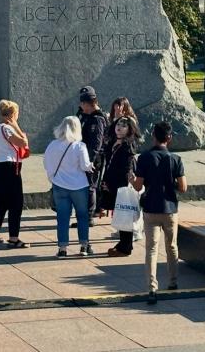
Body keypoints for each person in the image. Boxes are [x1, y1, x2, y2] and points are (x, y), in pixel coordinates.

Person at [130, 121, 187, 305]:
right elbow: (183, 187)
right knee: (171, 246)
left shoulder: (144, 158)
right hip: (170, 209)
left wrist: (132, 180)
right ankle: (173, 281)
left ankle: (152, 287)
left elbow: (138, 185)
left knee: (151, 249)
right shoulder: (176, 159)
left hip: (151, 209)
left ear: (153, 136)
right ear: (169, 138)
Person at [44, 116, 94, 257]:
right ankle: (84, 246)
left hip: (59, 186)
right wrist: (91, 166)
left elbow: (46, 164)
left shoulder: (52, 145)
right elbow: (85, 166)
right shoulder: (79, 146)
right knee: (82, 216)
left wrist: (53, 179)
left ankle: (62, 248)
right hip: (79, 186)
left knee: (63, 217)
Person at [0, 100, 30, 248]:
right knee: (16, 203)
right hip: (10, 168)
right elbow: (23, 142)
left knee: (3, 202)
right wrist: (16, 126)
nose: (18, 117)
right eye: (17, 114)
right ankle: (14, 237)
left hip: (1, 167)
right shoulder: (7, 129)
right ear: (12, 115)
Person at [101, 116, 139, 257]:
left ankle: (125, 246)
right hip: (111, 181)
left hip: (121, 184)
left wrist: (118, 183)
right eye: (118, 124)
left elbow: (127, 167)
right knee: (120, 214)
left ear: (129, 129)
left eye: (123, 126)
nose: (119, 127)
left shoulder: (128, 145)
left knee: (125, 214)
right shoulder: (113, 142)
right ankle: (124, 243)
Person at [77, 86, 108, 224]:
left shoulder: (97, 119)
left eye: (82, 103)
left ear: (88, 103)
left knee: (90, 186)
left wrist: (88, 161)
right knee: (82, 187)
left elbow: (96, 145)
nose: (80, 106)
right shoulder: (83, 115)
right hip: (82, 156)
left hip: (93, 159)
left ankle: (88, 217)